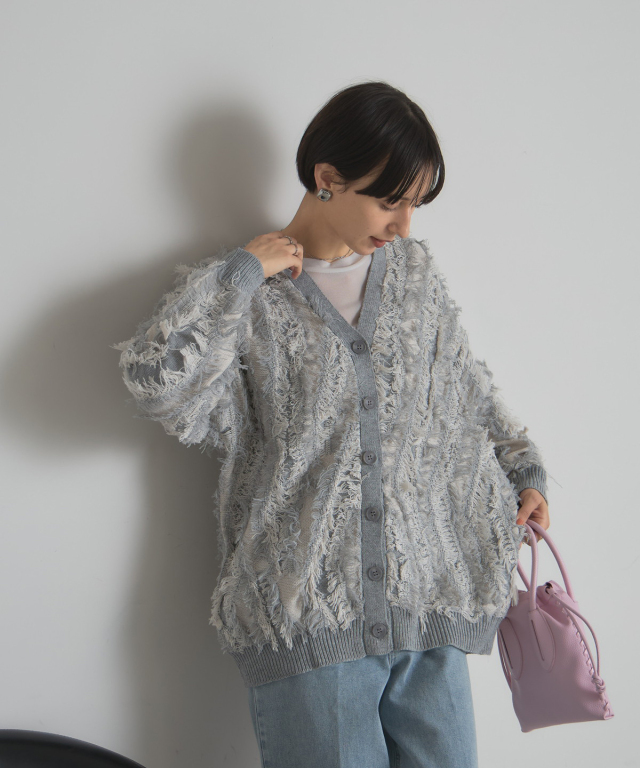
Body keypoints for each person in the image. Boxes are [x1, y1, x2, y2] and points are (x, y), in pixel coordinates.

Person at [113, 80, 550, 768]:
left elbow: (463, 393)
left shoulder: (413, 277)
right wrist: (239, 276)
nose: (404, 226)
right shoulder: (252, 295)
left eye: (416, 203)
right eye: (390, 200)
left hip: (427, 615)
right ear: (327, 177)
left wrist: (524, 471)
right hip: (307, 625)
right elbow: (158, 383)